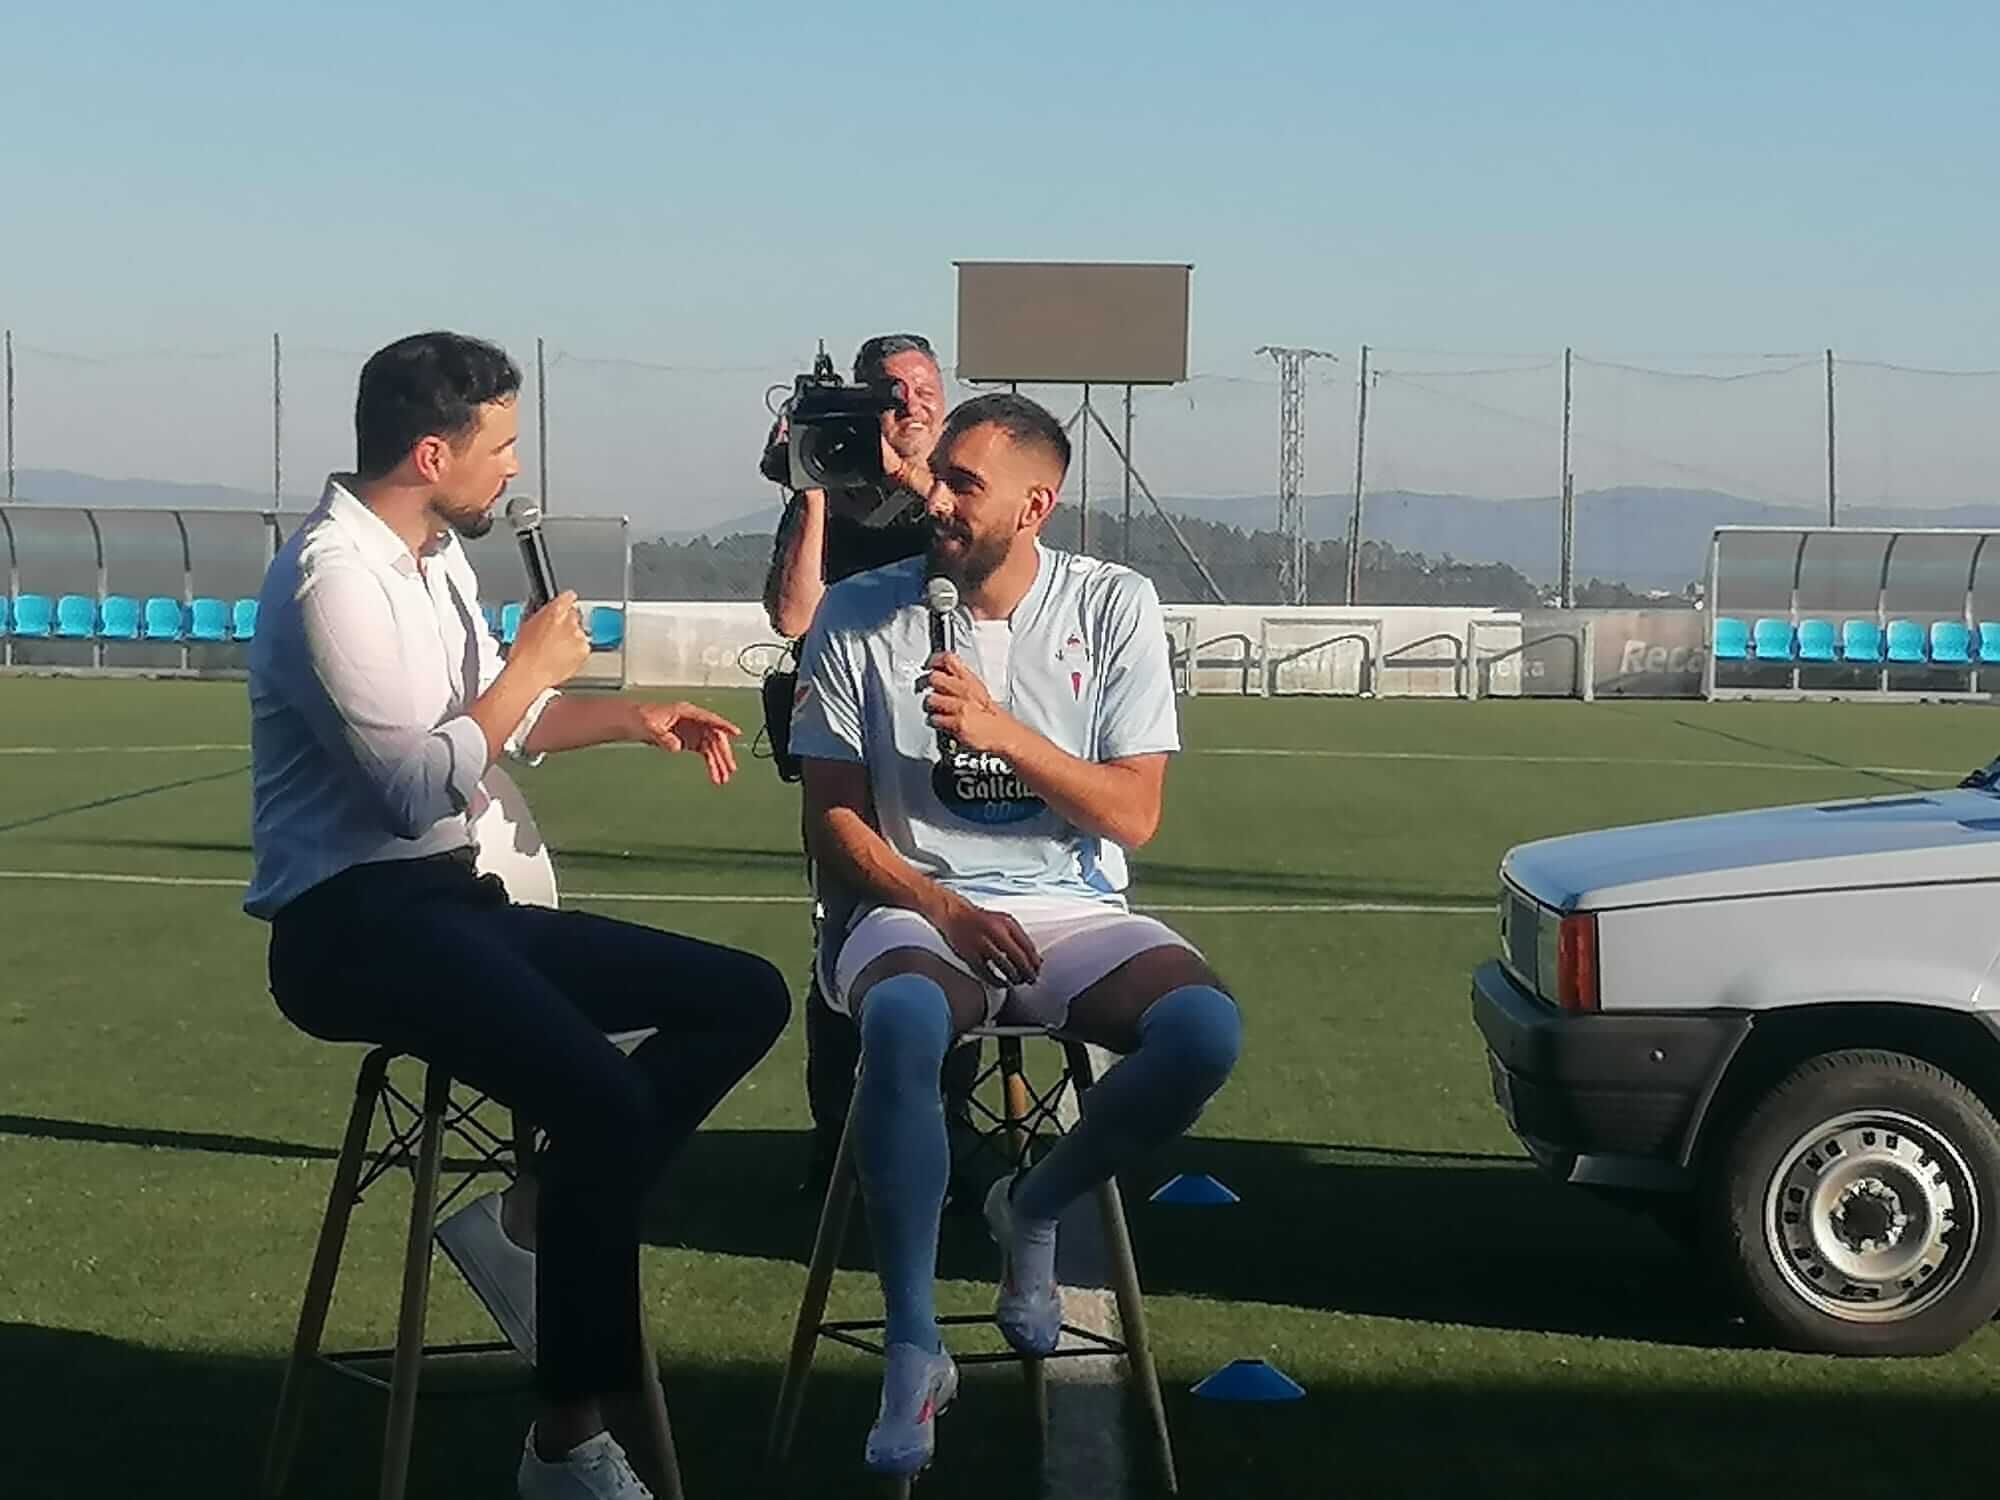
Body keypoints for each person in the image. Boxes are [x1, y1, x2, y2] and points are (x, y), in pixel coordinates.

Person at [246, 331, 789, 1500]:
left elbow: (511, 731)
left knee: (743, 995)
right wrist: (529, 669)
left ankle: (530, 1222)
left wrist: (631, 717)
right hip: (351, 927)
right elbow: (409, 787)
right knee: (598, 1102)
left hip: (450, 903)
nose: (512, 471)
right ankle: (567, 1442)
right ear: (430, 450)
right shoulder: (333, 577)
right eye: (499, 445)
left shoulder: (433, 554)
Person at [789, 392, 1242, 1476]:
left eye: (962, 484)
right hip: (912, 904)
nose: (933, 496)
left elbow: (1130, 815)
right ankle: (911, 1345)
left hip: (1071, 908)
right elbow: (831, 818)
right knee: (900, 1020)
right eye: (936, 473)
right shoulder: (858, 613)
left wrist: (999, 730)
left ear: (1035, 505)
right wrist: (940, 906)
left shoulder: (1111, 605)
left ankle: (1030, 1204)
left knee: (1201, 1036)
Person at [759, 333, 981, 1199]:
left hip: (944, 736)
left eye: (925, 388)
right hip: (848, 748)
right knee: (843, 938)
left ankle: (947, 1125)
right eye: (892, 392)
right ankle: (836, 1138)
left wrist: (909, 479)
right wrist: (813, 490)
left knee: (958, 925)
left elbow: (975, 556)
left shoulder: (961, 489)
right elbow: (792, 617)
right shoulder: (830, 490)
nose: (912, 405)